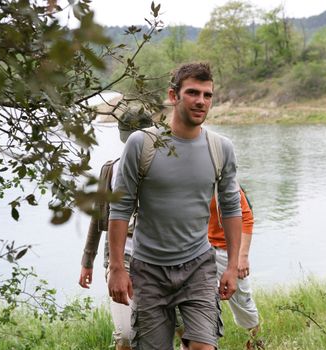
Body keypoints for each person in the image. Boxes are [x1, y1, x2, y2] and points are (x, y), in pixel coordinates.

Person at [108, 62, 242, 350]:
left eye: (207, 95)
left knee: (203, 347)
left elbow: (231, 208)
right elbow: (120, 209)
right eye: (193, 93)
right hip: (149, 270)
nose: (201, 101)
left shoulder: (221, 148)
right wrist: (117, 268)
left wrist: (232, 265)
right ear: (173, 96)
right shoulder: (141, 144)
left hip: (199, 267)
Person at [78, 107, 153, 350]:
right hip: (122, 261)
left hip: (160, 260)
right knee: (125, 337)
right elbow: (99, 218)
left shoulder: (166, 169)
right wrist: (87, 261)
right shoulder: (111, 169)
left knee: (180, 330)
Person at [209, 188, 263, 350]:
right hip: (202, 250)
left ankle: (256, 343)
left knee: (243, 304)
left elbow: (247, 218)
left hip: (229, 252)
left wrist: (242, 256)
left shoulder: (226, 183)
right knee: (199, 303)